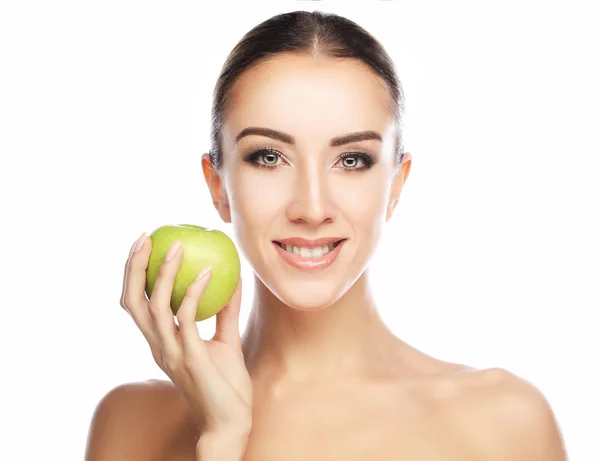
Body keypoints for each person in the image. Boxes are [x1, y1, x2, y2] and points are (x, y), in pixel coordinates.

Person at [85, 10, 567, 461]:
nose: (312, 208)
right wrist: (222, 436)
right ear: (219, 185)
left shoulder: (504, 423)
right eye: (268, 157)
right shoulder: (133, 424)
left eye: (351, 159)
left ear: (396, 186)